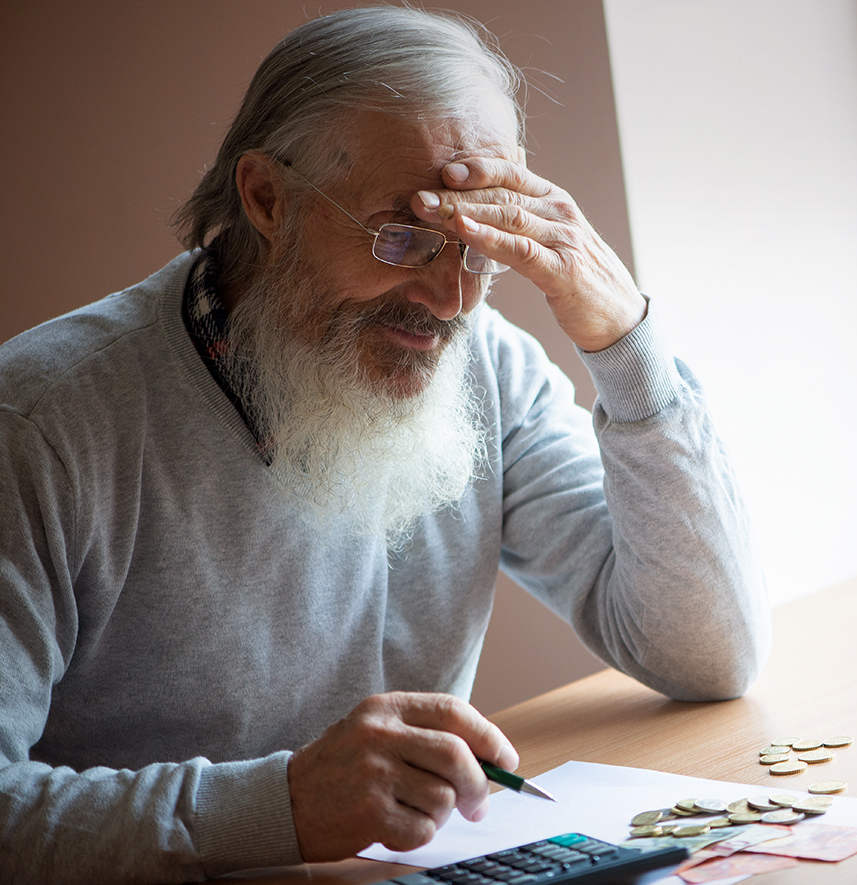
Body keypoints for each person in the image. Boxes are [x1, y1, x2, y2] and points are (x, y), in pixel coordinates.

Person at [0, 7, 768, 883]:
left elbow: (706, 653)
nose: (450, 301)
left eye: (477, 246)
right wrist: (283, 806)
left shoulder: (487, 367)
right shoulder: (39, 426)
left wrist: (624, 342)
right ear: (267, 199)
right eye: (401, 235)